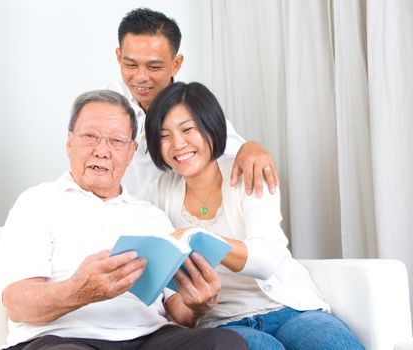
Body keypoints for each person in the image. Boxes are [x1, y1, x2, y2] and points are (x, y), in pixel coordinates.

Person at [0, 89, 248, 350]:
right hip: (62, 339)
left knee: (225, 342)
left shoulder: (152, 216)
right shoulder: (37, 202)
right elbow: (18, 305)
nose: (102, 151)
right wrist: (79, 290)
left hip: (150, 338)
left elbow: (178, 310)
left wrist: (197, 305)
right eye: (90, 137)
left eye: (116, 141)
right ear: (69, 142)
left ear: (130, 152)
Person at [144, 82, 365, 350]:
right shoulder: (156, 195)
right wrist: (194, 307)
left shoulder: (248, 169)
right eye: (164, 135)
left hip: (288, 309)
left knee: (332, 344)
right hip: (223, 324)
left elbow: (265, 260)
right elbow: (172, 295)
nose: (178, 144)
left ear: (211, 125)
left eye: (188, 129)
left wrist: (196, 236)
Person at [110, 7, 278, 198]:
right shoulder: (110, 101)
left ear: (176, 64)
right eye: (131, 65)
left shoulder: (190, 106)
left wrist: (252, 148)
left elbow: (233, 151)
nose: (141, 77)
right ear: (118, 57)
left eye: (154, 66)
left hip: (177, 218)